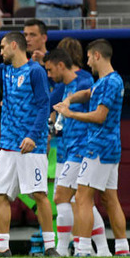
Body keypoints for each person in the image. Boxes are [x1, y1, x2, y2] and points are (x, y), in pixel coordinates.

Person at [0, 25, 58, 257]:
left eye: (1, 47)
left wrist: (31, 135)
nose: (0, 52)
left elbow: (43, 106)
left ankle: (50, 247)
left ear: (14, 46)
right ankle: (2, 247)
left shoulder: (35, 71)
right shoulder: (4, 70)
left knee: (38, 195)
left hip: (32, 146)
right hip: (8, 144)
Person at [54, 39, 130, 256]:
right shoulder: (103, 82)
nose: (87, 62)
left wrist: (70, 114)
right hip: (109, 147)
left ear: (97, 55)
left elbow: (99, 116)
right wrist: (70, 99)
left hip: (98, 148)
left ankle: (84, 249)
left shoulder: (111, 82)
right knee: (109, 199)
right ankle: (123, 250)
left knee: (82, 197)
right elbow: (88, 94)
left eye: (88, 57)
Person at [43, 49, 111, 257]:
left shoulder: (84, 84)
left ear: (61, 65)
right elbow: (49, 104)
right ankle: (99, 250)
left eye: (49, 69)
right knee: (79, 200)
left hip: (82, 149)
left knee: (65, 197)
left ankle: (71, 249)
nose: (48, 75)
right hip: (69, 148)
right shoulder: (66, 87)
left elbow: (97, 114)